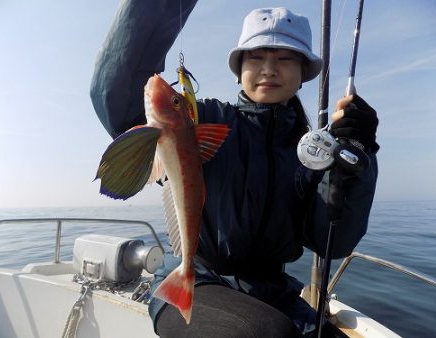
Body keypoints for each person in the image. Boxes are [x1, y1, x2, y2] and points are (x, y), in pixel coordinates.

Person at [91, 2, 379, 337]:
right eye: (255, 57)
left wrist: (358, 156)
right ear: (239, 69)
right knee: (266, 333)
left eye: (285, 58)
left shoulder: (312, 151)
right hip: (195, 279)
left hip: (274, 292)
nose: (269, 69)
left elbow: (332, 241)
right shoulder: (203, 120)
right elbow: (118, 99)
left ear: (303, 74)